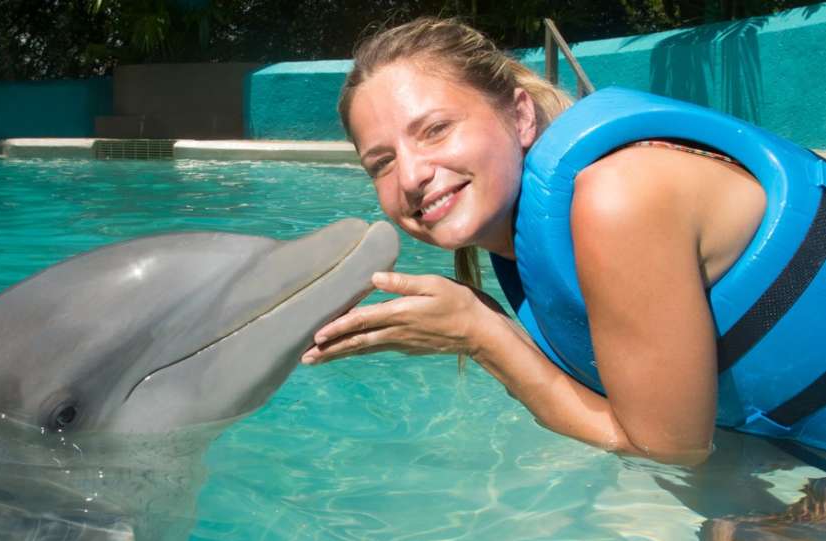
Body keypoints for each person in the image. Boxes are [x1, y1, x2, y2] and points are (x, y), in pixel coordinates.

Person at [300, 16, 826, 469]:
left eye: (436, 129)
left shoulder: (618, 199)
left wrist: (480, 334)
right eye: (382, 163)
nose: (411, 175)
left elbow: (670, 454)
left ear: (521, 116)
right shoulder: (531, 240)